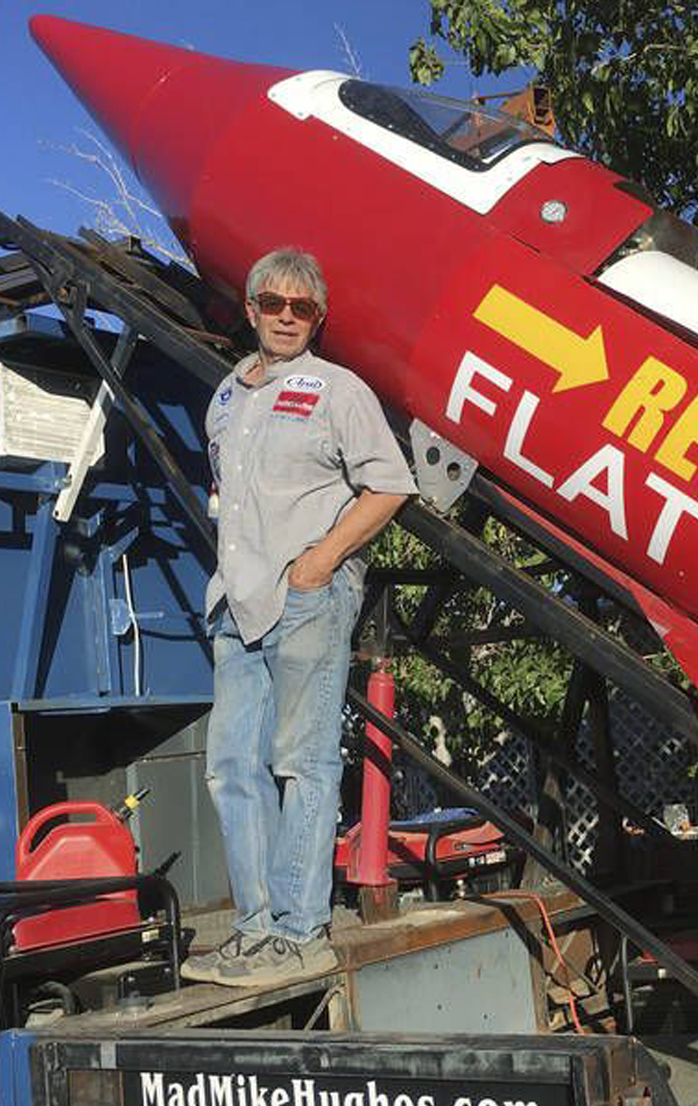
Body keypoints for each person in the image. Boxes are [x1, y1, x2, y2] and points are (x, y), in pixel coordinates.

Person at [182, 247, 416, 988]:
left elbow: (389, 485)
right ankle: (253, 931)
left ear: (318, 317)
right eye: (273, 304)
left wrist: (319, 563)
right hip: (237, 603)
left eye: (301, 307)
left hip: (307, 597)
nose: (286, 317)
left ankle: (300, 931)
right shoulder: (223, 398)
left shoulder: (338, 390)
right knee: (231, 769)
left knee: (302, 762)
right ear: (249, 310)